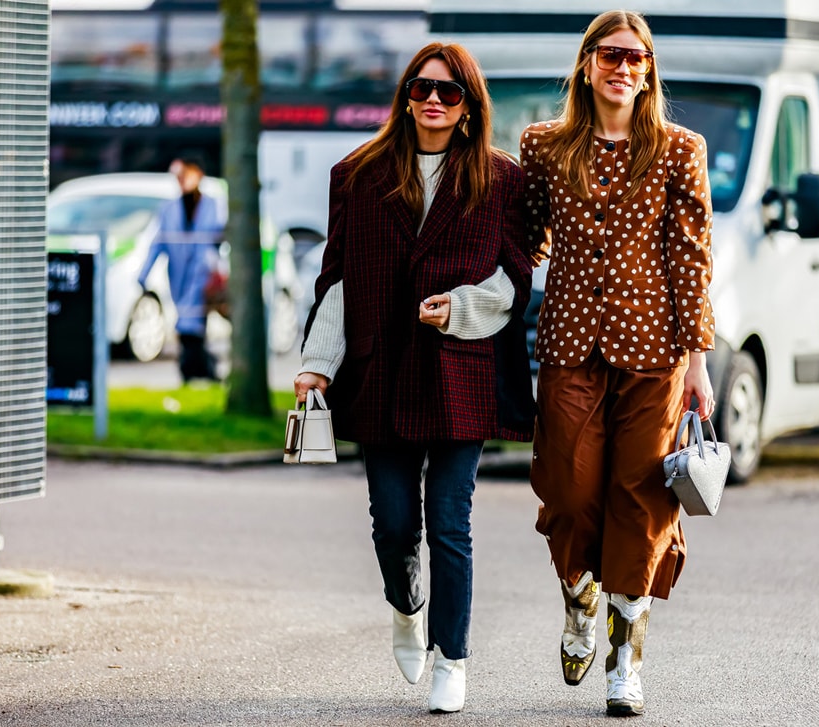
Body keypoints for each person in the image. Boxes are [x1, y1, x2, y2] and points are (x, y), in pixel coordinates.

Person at [293, 43, 533, 714]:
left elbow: (514, 278)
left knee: (449, 524)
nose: (434, 99)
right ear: (405, 96)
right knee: (394, 524)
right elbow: (336, 277)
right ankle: (406, 606)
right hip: (381, 370)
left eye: (450, 92)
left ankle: (452, 659)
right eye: (422, 87)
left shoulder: (501, 181)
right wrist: (316, 363)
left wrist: (461, 307)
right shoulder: (356, 176)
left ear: (467, 108)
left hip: (460, 371)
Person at [519, 10, 716, 718]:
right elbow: (525, 238)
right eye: (611, 54)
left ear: (649, 70)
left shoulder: (677, 149)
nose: (623, 67)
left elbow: (691, 258)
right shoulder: (544, 145)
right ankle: (579, 595)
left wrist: (697, 361)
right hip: (571, 340)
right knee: (569, 490)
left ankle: (625, 653)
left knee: (642, 495)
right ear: (587, 63)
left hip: (657, 352)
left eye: (636, 57)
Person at [137, 159, 224, 382]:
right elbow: (158, 241)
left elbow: (218, 237)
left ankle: (198, 369)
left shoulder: (212, 205)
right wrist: (143, 274)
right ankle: (199, 370)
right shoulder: (169, 208)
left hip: (202, 276)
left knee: (192, 324)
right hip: (178, 275)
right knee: (188, 324)